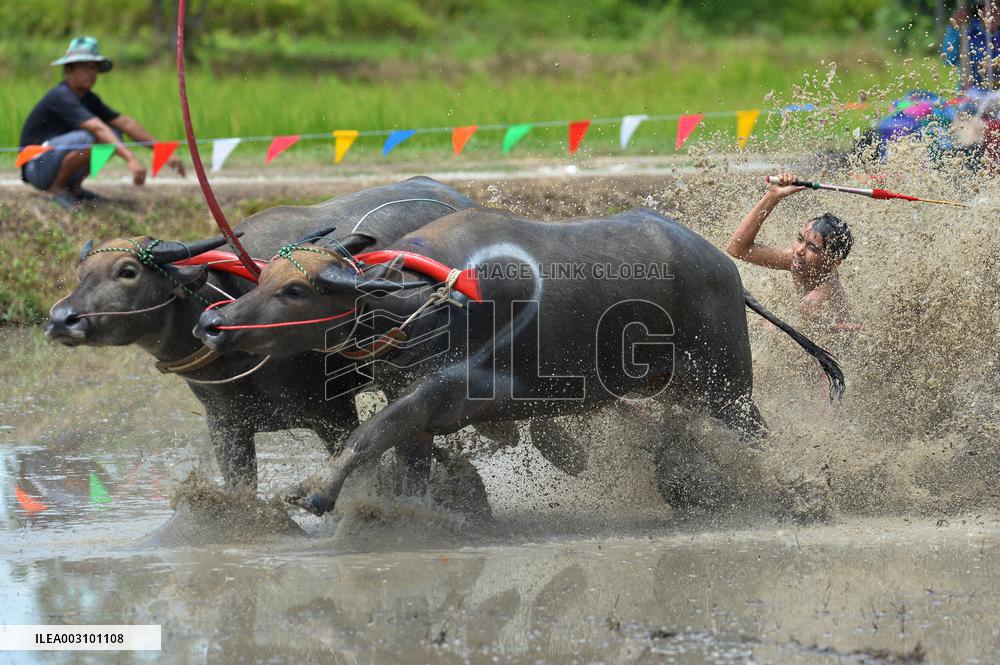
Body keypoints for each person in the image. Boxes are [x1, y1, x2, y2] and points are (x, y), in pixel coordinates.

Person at [19, 37, 184, 209]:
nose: (91, 73)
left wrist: (161, 149)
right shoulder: (61, 96)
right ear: (69, 70)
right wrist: (131, 158)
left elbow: (125, 123)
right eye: (85, 67)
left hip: (53, 162)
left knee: (114, 135)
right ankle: (57, 188)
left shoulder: (90, 99)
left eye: (94, 68)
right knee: (90, 136)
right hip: (36, 167)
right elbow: (96, 127)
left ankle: (74, 188)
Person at [726, 173, 857, 328]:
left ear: (833, 261)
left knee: (766, 325)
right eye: (800, 239)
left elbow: (807, 319)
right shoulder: (796, 260)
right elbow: (737, 248)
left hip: (830, 346)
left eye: (812, 248)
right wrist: (772, 196)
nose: (800, 250)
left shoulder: (829, 287)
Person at [941, 0, 1000, 90]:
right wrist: (954, 29)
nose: (992, 11)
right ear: (980, 11)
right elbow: (949, 59)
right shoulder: (969, 35)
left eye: (997, 5)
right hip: (973, 93)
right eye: (984, 6)